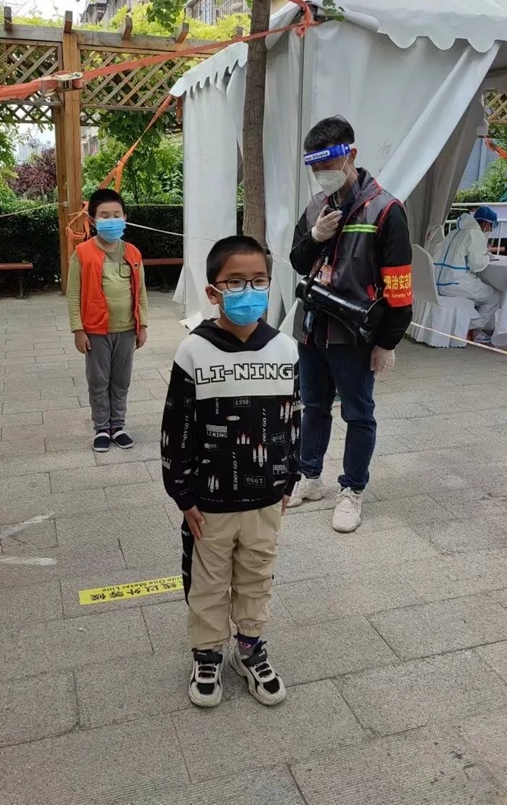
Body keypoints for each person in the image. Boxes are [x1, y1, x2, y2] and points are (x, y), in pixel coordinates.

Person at [161, 235, 300, 708]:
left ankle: (250, 648)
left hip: (266, 498)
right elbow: (176, 428)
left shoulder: (285, 349)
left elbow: (294, 420)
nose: (249, 291)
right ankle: (207, 654)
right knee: (208, 582)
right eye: (235, 282)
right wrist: (182, 493)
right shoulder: (193, 351)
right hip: (211, 502)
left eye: (259, 281)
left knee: (258, 575)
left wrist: (289, 479)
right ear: (213, 292)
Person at [288, 115, 412, 532]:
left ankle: (352, 489)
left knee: (358, 414)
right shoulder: (315, 207)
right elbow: (297, 261)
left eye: (328, 164)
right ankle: (309, 476)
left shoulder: (386, 209)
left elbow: (400, 290)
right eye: (315, 167)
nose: (322, 174)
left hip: (354, 334)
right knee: (313, 406)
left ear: (351, 154)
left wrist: (387, 342)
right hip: (312, 328)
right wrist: (315, 236)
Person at [67, 189, 148, 453]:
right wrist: (78, 329)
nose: (111, 220)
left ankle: (118, 426)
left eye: (116, 215)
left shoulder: (133, 253)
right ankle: (101, 428)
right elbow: (73, 294)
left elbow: (141, 292)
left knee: (121, 380)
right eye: (104, 215)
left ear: (125, 218)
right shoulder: (82, 253)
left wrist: (142, 325)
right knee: (98, 380)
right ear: (92, 221)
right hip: (96, 331)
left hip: (127, 329)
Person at [432, 205, 502, 342]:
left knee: (480, 292)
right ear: (486, 224)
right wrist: (486, 256)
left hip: (437, 282)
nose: (490, 231)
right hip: (454, 283)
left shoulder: (454, 232)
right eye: (491, 227)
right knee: (495, 296)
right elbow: (477, 266)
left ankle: (466, 326)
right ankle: (471, 328)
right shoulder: (476, 235)